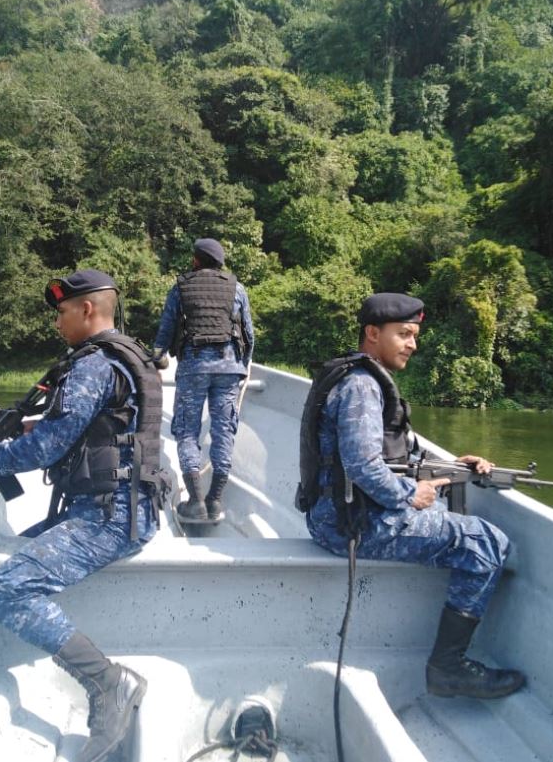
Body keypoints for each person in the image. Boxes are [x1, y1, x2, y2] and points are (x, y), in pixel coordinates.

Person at [0, 270, 168, 762]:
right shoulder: (122, 357)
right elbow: (94, 427)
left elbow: (47, 448)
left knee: (7, 587)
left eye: (62, 312)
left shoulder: (91, 365)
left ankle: (108, 683)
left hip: (109, 517)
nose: (57, 323)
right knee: (16, 550)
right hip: (123, 506)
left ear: (87, 310)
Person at [296, 292, 525, 699]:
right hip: (351, 524)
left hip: (339, 513)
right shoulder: (362, 386)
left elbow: (393, 450)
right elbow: (364, 465)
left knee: (447, 514)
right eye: (403, 334)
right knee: (488, 543)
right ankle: (448, 668)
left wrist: (456, 464)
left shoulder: (359, 377)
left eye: (415, 335)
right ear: (372, 333)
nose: (412, 344)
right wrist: (408, 494)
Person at [152, 237, 254, 525]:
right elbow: (248, 333)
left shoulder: (180, 288)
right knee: (224, 432)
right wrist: (242, 368)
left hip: (193, 368)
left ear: (196, 260)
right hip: (229, 368)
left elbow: (166, 329)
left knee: (187, 432)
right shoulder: (238, 289)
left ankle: (195, 501)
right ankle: (215, 500)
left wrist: (158, 358)